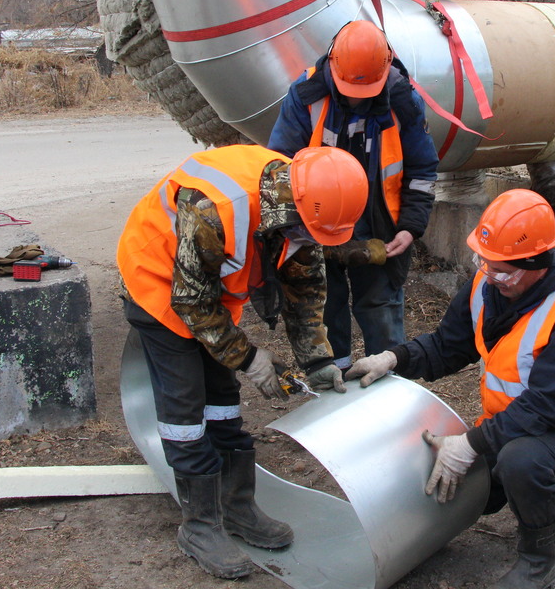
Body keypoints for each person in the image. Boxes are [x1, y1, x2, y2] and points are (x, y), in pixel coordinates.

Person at [346, 189, 555, 589]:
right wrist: (395, 359)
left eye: (504, 271)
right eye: (483, 262)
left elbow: (551, 406)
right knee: (480, 492)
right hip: (518, 424)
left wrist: (473, 443)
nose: (491, 276)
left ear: (537, 264)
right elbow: (447, 346)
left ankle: (540, 562)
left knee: (521, 463)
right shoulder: (488, 282)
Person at [117, 144, 368, 579]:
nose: (309, 242)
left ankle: (236, 507)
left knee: (222, 399)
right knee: (185, 405)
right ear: (291, 208)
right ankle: (199, 526)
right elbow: (191, 303)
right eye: (306, 233)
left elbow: (305, 288)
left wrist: (317, 361)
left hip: (210, 292)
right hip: (158, 282)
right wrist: (249, 358)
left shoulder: (313, 200)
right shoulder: (215, 208)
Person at [268, 19, 439, 372]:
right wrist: (295, 233)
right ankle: (336, 385)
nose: (356, 97)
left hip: (380, 227)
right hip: (316, 224)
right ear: (332, 64)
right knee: (323, 307)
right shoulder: (306, 97)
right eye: (348, 89)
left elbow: (422, 171)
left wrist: (410, 227)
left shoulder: (403, 101)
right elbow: (278, 171)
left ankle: (390, 385)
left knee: (381, 308)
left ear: (386, 66)